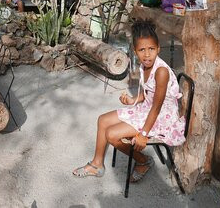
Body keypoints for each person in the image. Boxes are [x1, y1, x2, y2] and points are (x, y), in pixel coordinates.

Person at [72, 19, 185, 183]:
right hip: (148, 108)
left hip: (161, 116)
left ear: (158, 48)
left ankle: (143, 161)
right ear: (135, 50)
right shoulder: (144, 65)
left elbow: (157, 106)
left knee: (111, 134)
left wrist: (143, 135)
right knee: (103, 120)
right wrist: (133, 99)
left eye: (151, 49)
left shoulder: (161, 71)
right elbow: (149, 92)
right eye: (142, 50)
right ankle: (97, 164)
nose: (147, 54)